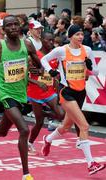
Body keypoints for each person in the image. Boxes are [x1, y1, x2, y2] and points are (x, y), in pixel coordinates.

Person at [0, 15, 42, 180]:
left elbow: (38, 65)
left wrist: (37, 70)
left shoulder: (27, 44)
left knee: (2, 131)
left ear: (20, 27)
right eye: (9, 25)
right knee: (24, 129)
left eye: (15, 25)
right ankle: (26, 173)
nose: (13, 27)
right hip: (3, 92)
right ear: (3, 29)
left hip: (20, 92)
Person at [41, 24, 105, 175]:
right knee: (84, 126)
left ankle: (48, 139)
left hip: (81, 92)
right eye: (77, 34)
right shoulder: (61, 50)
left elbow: (95, 71)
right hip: (66, 92)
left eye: (82, 34)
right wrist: (50, 70)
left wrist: (90, 66)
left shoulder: (87, 50)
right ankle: (91, 164)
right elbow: (44, 59)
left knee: (65, 128)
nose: (81, 37)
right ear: (70, 36)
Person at [27, 32, 64, 155]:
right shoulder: (34, 55)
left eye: (53, 40)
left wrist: (57, 84)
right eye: (49, 40)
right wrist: (37, 82)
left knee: (61, 114)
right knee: (39, 122)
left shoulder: (54, 56)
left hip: (49, 91)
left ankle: (43, 113)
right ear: (42, 40)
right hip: (35, 91)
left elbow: (57, 74)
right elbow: (25, 76)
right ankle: (30, 143)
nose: (52, 43)